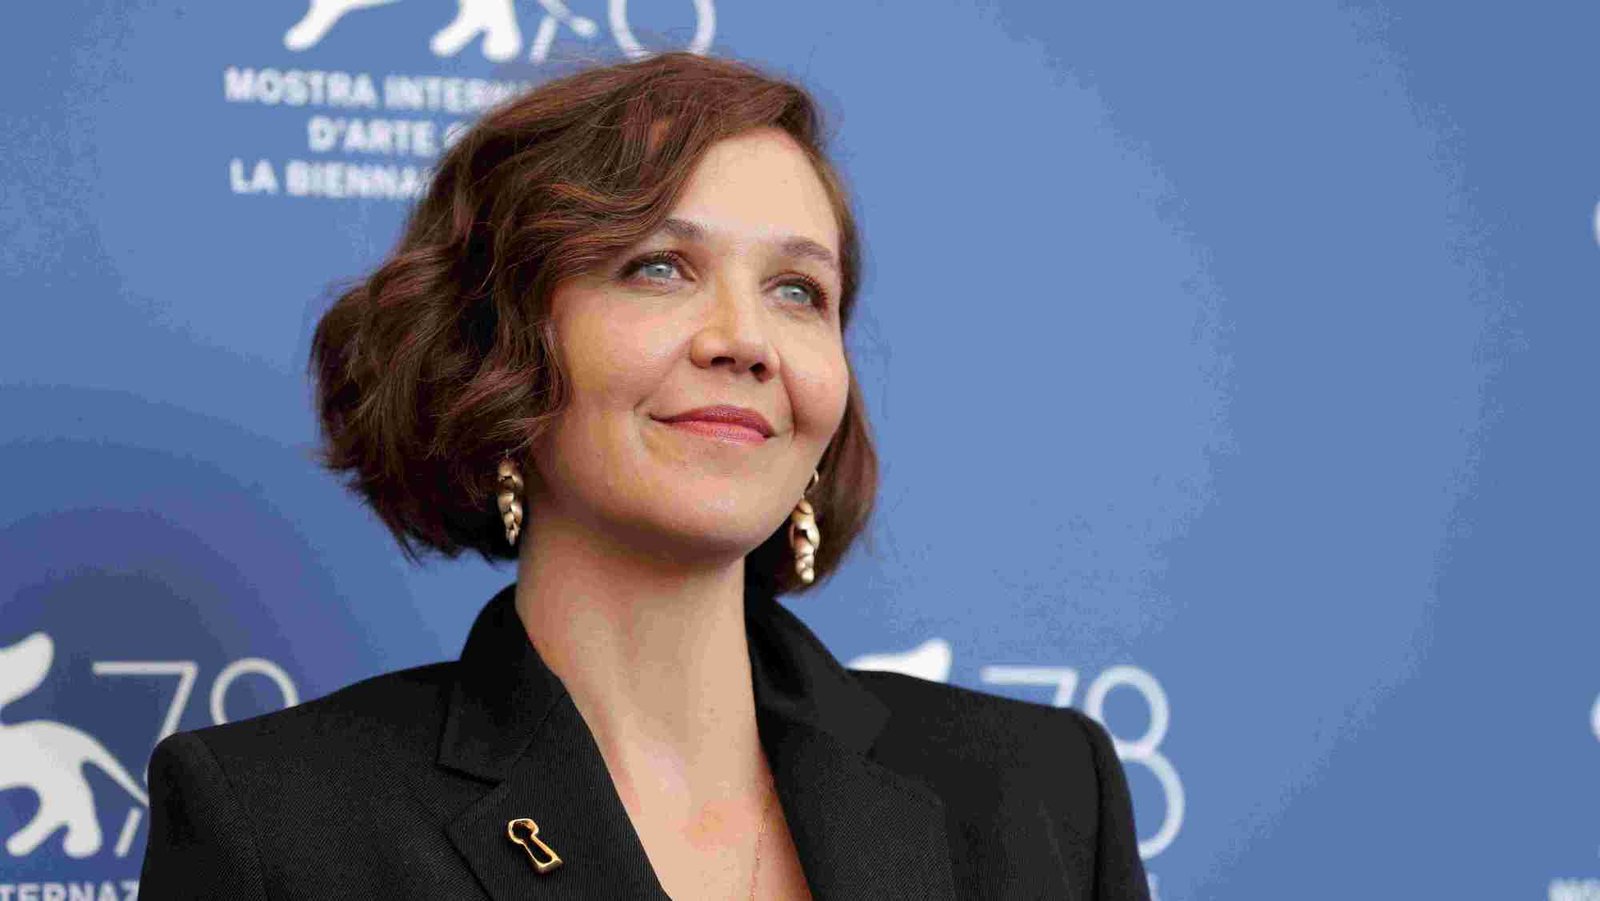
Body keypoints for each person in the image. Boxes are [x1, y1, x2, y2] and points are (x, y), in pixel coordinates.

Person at [137, 51, 1150, 899]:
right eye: (658, 267)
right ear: (497, 355)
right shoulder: (278, 826)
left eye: (799, 290)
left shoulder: (1044, 794)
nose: (746, 340)